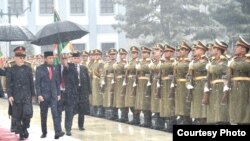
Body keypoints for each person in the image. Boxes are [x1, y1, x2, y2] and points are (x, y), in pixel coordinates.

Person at [35, 51, 65, 139]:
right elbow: (37, 83)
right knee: (43, 115)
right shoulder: (40, 68)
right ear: (45, 59)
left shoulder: (55, 68)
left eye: (52, 58)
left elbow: (57, 81)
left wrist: (58, 93)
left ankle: (57, 132)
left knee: (55, 114)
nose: (52, 60)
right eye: (50, 58)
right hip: (43, 96)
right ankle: (44, 132)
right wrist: (39, 95)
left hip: (54, 95)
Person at [6, 52, 35, 140]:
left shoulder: (28, 69)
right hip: (16, 97)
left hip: (27, 96)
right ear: (15, 58)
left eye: (23, 58)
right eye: (20, 58)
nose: (22, 59)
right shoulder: (11, 70)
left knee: (28, 114)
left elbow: (31, 83)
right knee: (17, 116)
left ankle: (24, 128)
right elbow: (8, 84)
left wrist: (33, 94)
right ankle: (21, 134)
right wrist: (10, 95)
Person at [202, 39, 229, 124]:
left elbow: (219, 69)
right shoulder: (213, 62)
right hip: (212, 88)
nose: (211, 50)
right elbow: (208, 77)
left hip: (222, 88)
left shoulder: (225, 61)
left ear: (218, 50)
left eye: (213, 48)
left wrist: (209, 67)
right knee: (213, 114)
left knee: (222, 114)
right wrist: (206, 87)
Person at [227, 36, 250, 124]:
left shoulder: (247, 59)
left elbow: (242, 66)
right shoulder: (235, 59)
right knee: (235, 108)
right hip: (235, 87)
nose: (235, 48)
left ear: (243, 49)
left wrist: (231, 64)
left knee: (242, 109)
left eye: (237, 47)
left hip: (244, 88)